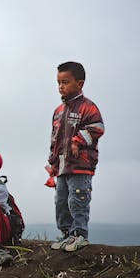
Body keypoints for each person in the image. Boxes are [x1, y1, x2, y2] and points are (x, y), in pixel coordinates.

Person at [47, 61, 104, 252]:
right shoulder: (58, 111)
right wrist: (52, 162)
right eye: (58, 82)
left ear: (80, 84)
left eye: (65, 82)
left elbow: (98, 127)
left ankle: (80, 235)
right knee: (61, 201)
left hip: (81, 165)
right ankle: (66, 235)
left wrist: (78, 141)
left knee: (77, 199)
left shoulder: (88, 107)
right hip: (63, 166)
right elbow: (55, 139)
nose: (61, 87)